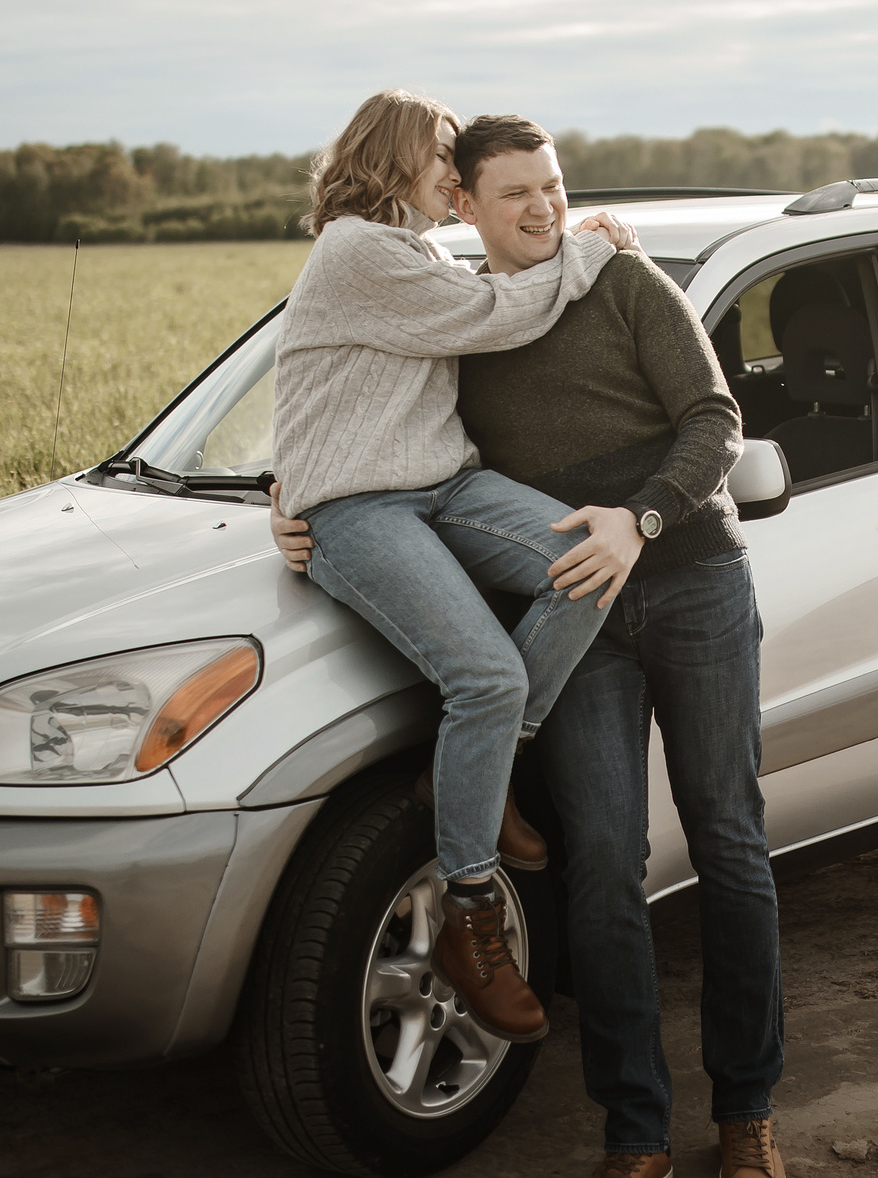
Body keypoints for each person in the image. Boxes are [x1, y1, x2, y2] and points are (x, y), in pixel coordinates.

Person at [288, 113, 787, 1178]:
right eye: (512, 191)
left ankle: (746, 1113)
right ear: (462, 204)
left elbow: (715, 421)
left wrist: (638, 518)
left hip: (689, 578)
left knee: (730, 847)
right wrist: (290, 498)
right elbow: (358, 404)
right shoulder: (459, 311)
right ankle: (635, 1131)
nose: (542, 207)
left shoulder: (623, 282)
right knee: (604, 869)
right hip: (581, 613)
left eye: (551, 186)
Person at [265, 88, 647, 1045]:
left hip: (445, 486)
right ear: (397, 155)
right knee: (484, 673)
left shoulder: (412, 251)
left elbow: (326, 378)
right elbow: (494, 312)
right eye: (445, 153)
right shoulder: (355, 247)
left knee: (591, 553)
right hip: (360, 509)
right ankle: (470, 912)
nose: (457, 169)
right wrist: (591, 244)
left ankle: (481, 765)